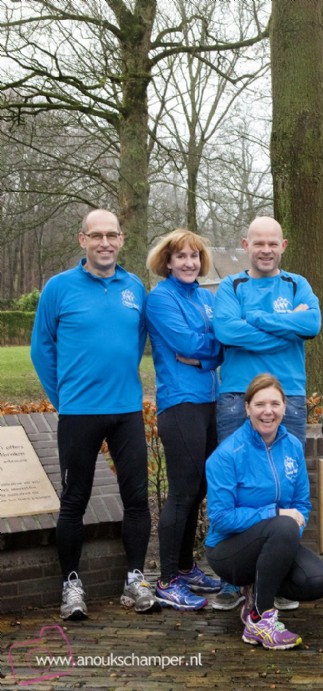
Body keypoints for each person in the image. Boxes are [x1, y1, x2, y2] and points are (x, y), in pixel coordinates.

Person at [31, 209, 158, 619]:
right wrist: (65, 397)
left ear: (122, 239)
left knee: (137, 500)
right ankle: (71, 585)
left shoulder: (134, 287)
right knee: (74, 501)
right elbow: (41, 348)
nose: (105, 242)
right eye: (96, 235)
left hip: (126, 412)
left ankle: (135, 580)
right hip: (79, 414)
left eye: (112, 235)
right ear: (81, 239)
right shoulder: (59, 288)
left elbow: (137, 340)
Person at [212, 215, 321, 610]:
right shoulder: (231, 285)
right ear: (246, 244)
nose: (266, 249)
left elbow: (312, 323)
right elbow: (226, 332)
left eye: (272, 243)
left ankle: (272, 579)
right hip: (237, 394)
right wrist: (284, 327)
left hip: (288, 394)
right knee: (235, 483)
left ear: (283, 245)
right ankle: (231, 579)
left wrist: (256, 320)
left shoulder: (298, 285)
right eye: (258, 243)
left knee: (285, 485)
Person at [205, 374, 323, 650]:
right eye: (260, 404)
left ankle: (258, 590)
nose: (268, 411)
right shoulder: (227, 454)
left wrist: (283, 538)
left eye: (275, 403)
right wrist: (275, 515)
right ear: (247, 407)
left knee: (317, 580)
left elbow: (302, 507)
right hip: (228, 552)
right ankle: (259, 619)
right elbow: (220, 519)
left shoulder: (293, 447)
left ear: (285, 407)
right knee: (283, 524)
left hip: (273, 541)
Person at [145, 229, 224, 610]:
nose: (189, 263)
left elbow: (218, 343)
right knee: (181, 492)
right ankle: (166, 580)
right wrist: (209, 350)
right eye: (181, 257)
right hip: (180, 404)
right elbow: (187, 344)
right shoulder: (160, 298)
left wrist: (207, 356)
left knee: (199, 488)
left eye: (194, 256)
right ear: (168, 261)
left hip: (209, 401)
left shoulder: (206, 299)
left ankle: (186, 565)